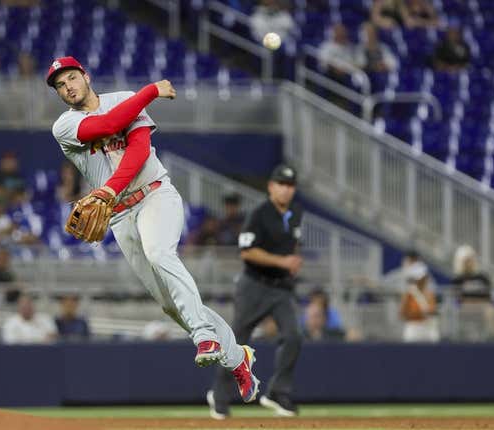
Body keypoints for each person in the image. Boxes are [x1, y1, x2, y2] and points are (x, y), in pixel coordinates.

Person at [47, 56, 258, 404]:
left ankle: (205, 335)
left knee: (160, 253)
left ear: (85, 76)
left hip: (155, 196)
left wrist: (111, 188)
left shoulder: (124, 98)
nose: (67, 86)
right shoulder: (64, 126)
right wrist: (152, 91)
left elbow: (140, 151)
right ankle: (238, 360)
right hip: (117, 216)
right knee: (171, 305)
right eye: (60, 85)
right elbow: (107, 125)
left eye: (71, 77)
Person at [207, 164, 303, 419]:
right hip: (254, 285)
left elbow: (292, 245)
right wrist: (283, 262)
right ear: (271, 187)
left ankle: (277, 392)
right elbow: (247, 251)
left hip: (280, 288)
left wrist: (293, 260)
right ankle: (220, 394)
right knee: (236, 342)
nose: (286, 189)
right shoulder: (259, 214)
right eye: (281, 184)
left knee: (293, 336)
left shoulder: (294, 214)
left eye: (290, 185)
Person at [400, 261, 439, 342]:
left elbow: (433, 309)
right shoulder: (409, 294)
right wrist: (419, 314)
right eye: (422, 278)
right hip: (414, 329)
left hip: (428, 329)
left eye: (425, 277)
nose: (424, 280)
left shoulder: (429, 293)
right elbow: (403, 314)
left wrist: (430, 313)